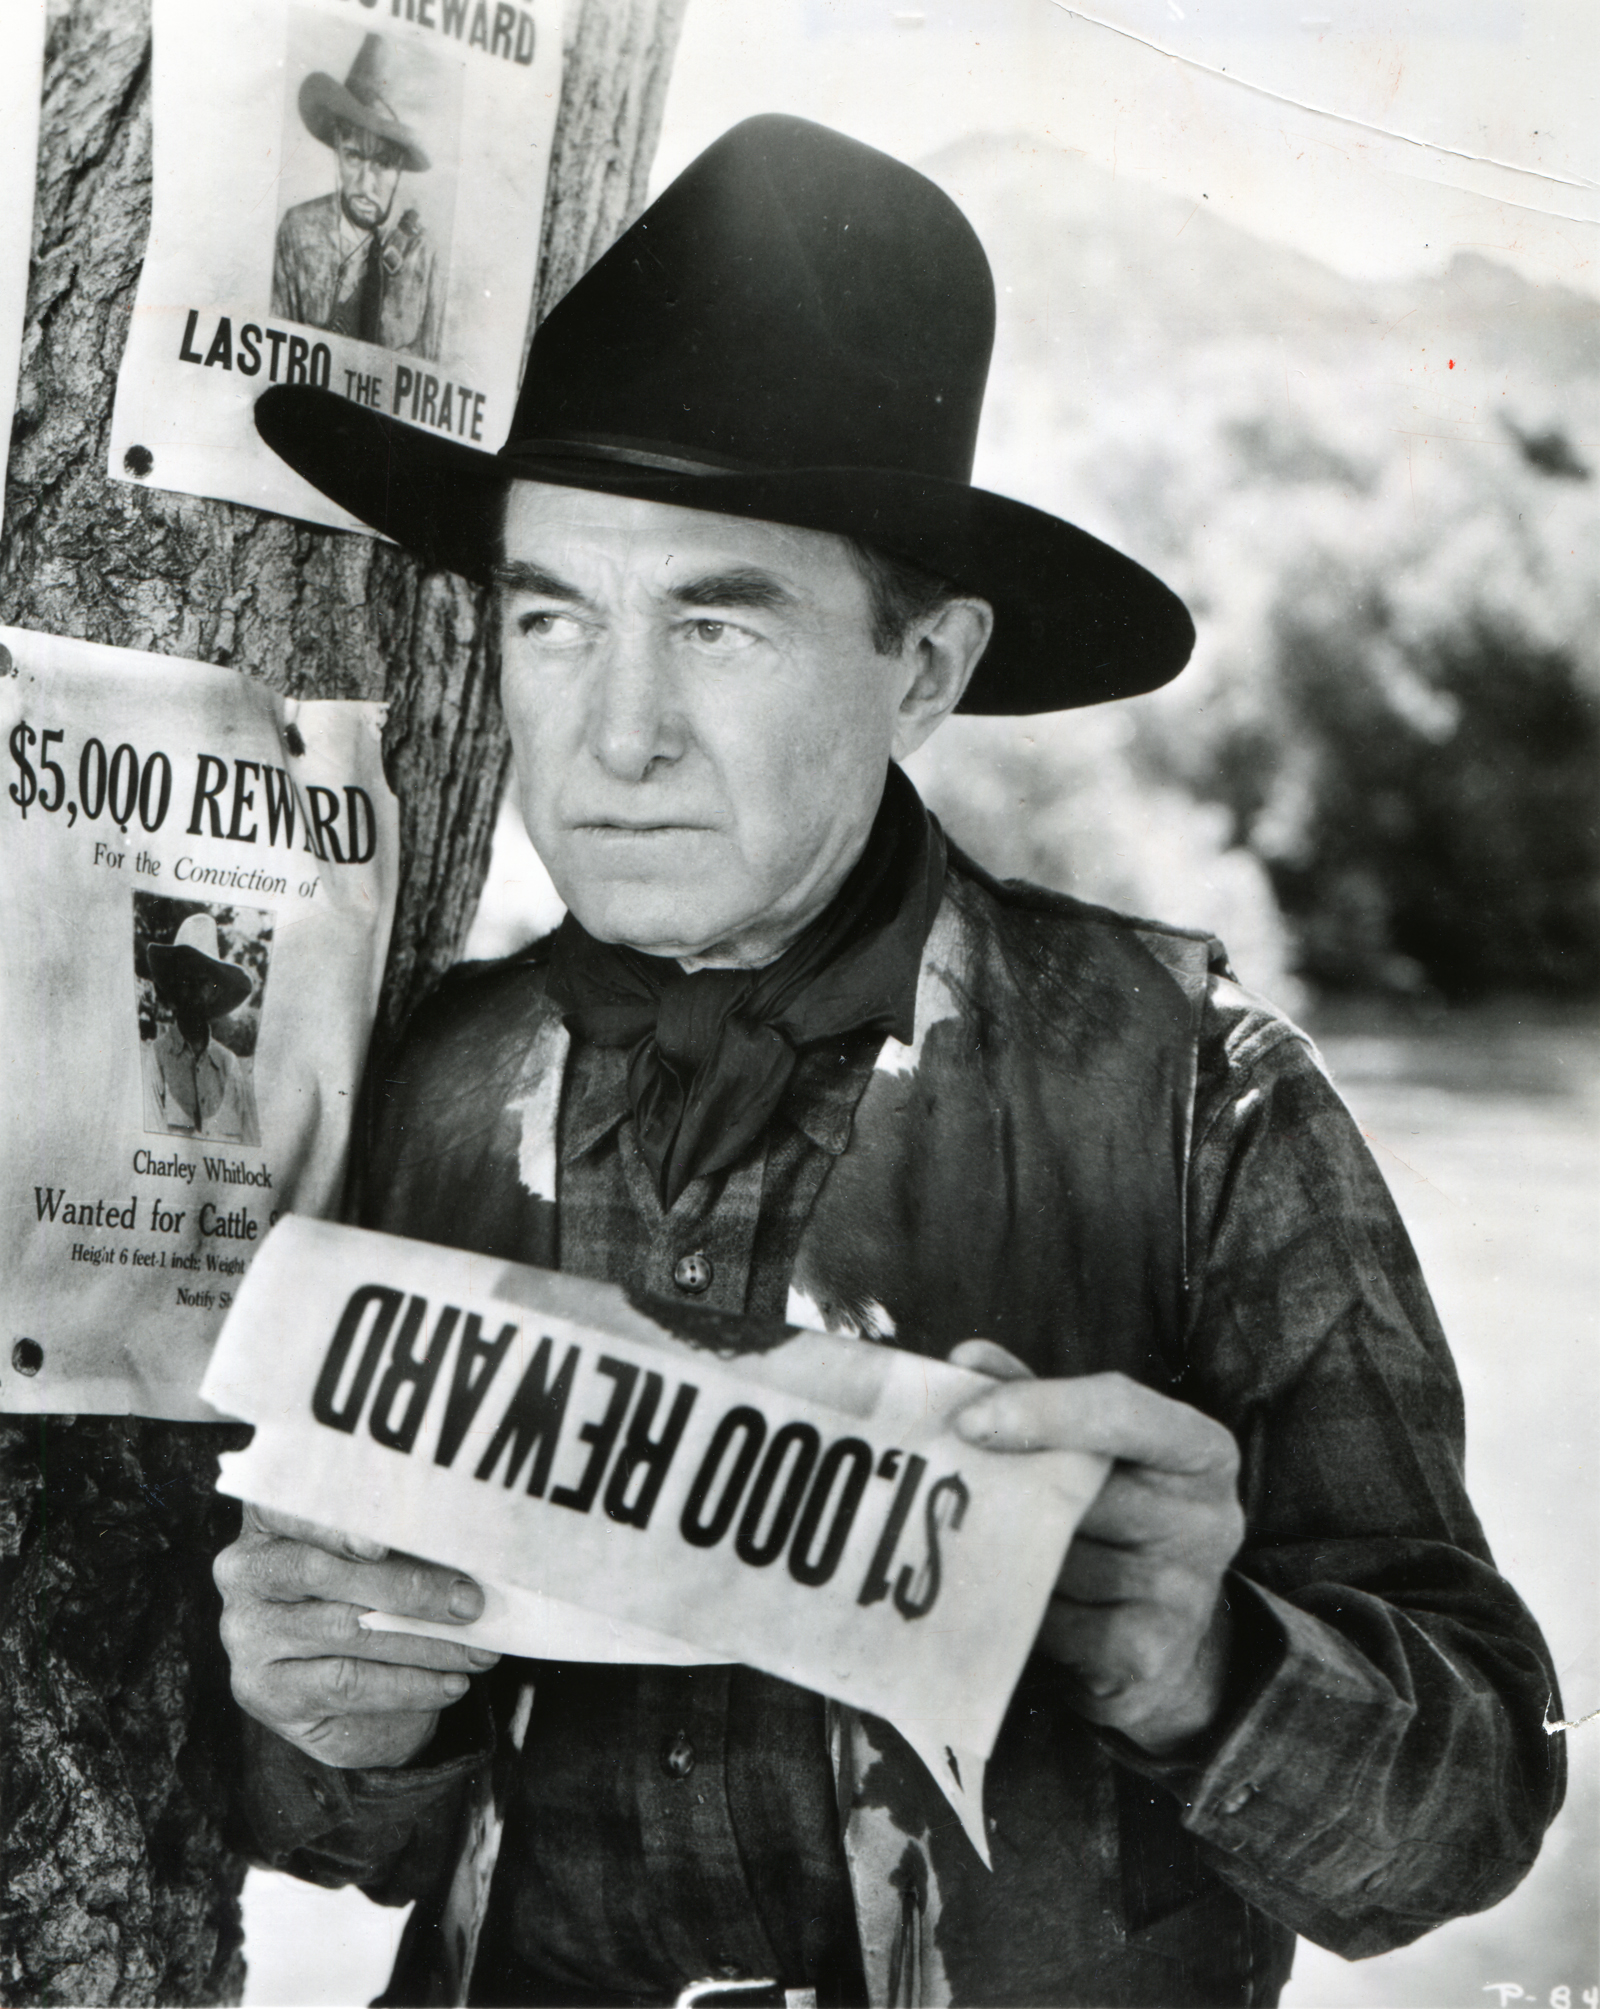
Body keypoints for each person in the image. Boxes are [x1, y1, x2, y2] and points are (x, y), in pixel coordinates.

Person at [217, 117, 1563, 2007]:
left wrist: (1209, 1662)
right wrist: (323, 1722)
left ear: (923, 669)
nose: (614, 734)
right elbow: (328, 1836)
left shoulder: (1201, 1101)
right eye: (551, 615)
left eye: (717, 623)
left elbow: (1478, 1807)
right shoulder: (412, 1088)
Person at [271, 33, 443, 361]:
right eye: (353, 156)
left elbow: (430, 363)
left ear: (401, 167)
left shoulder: (423, 253)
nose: (366, 183)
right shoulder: (298, 230)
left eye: (383, 163)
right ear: (337, 149)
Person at [140, 908, 261, 1146]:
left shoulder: (230, 1065)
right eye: (185, 978)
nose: (194, 990)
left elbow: (252, 1148)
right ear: (174, 988)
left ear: (215, 991)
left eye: (203, 981)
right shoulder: (156, 1059)